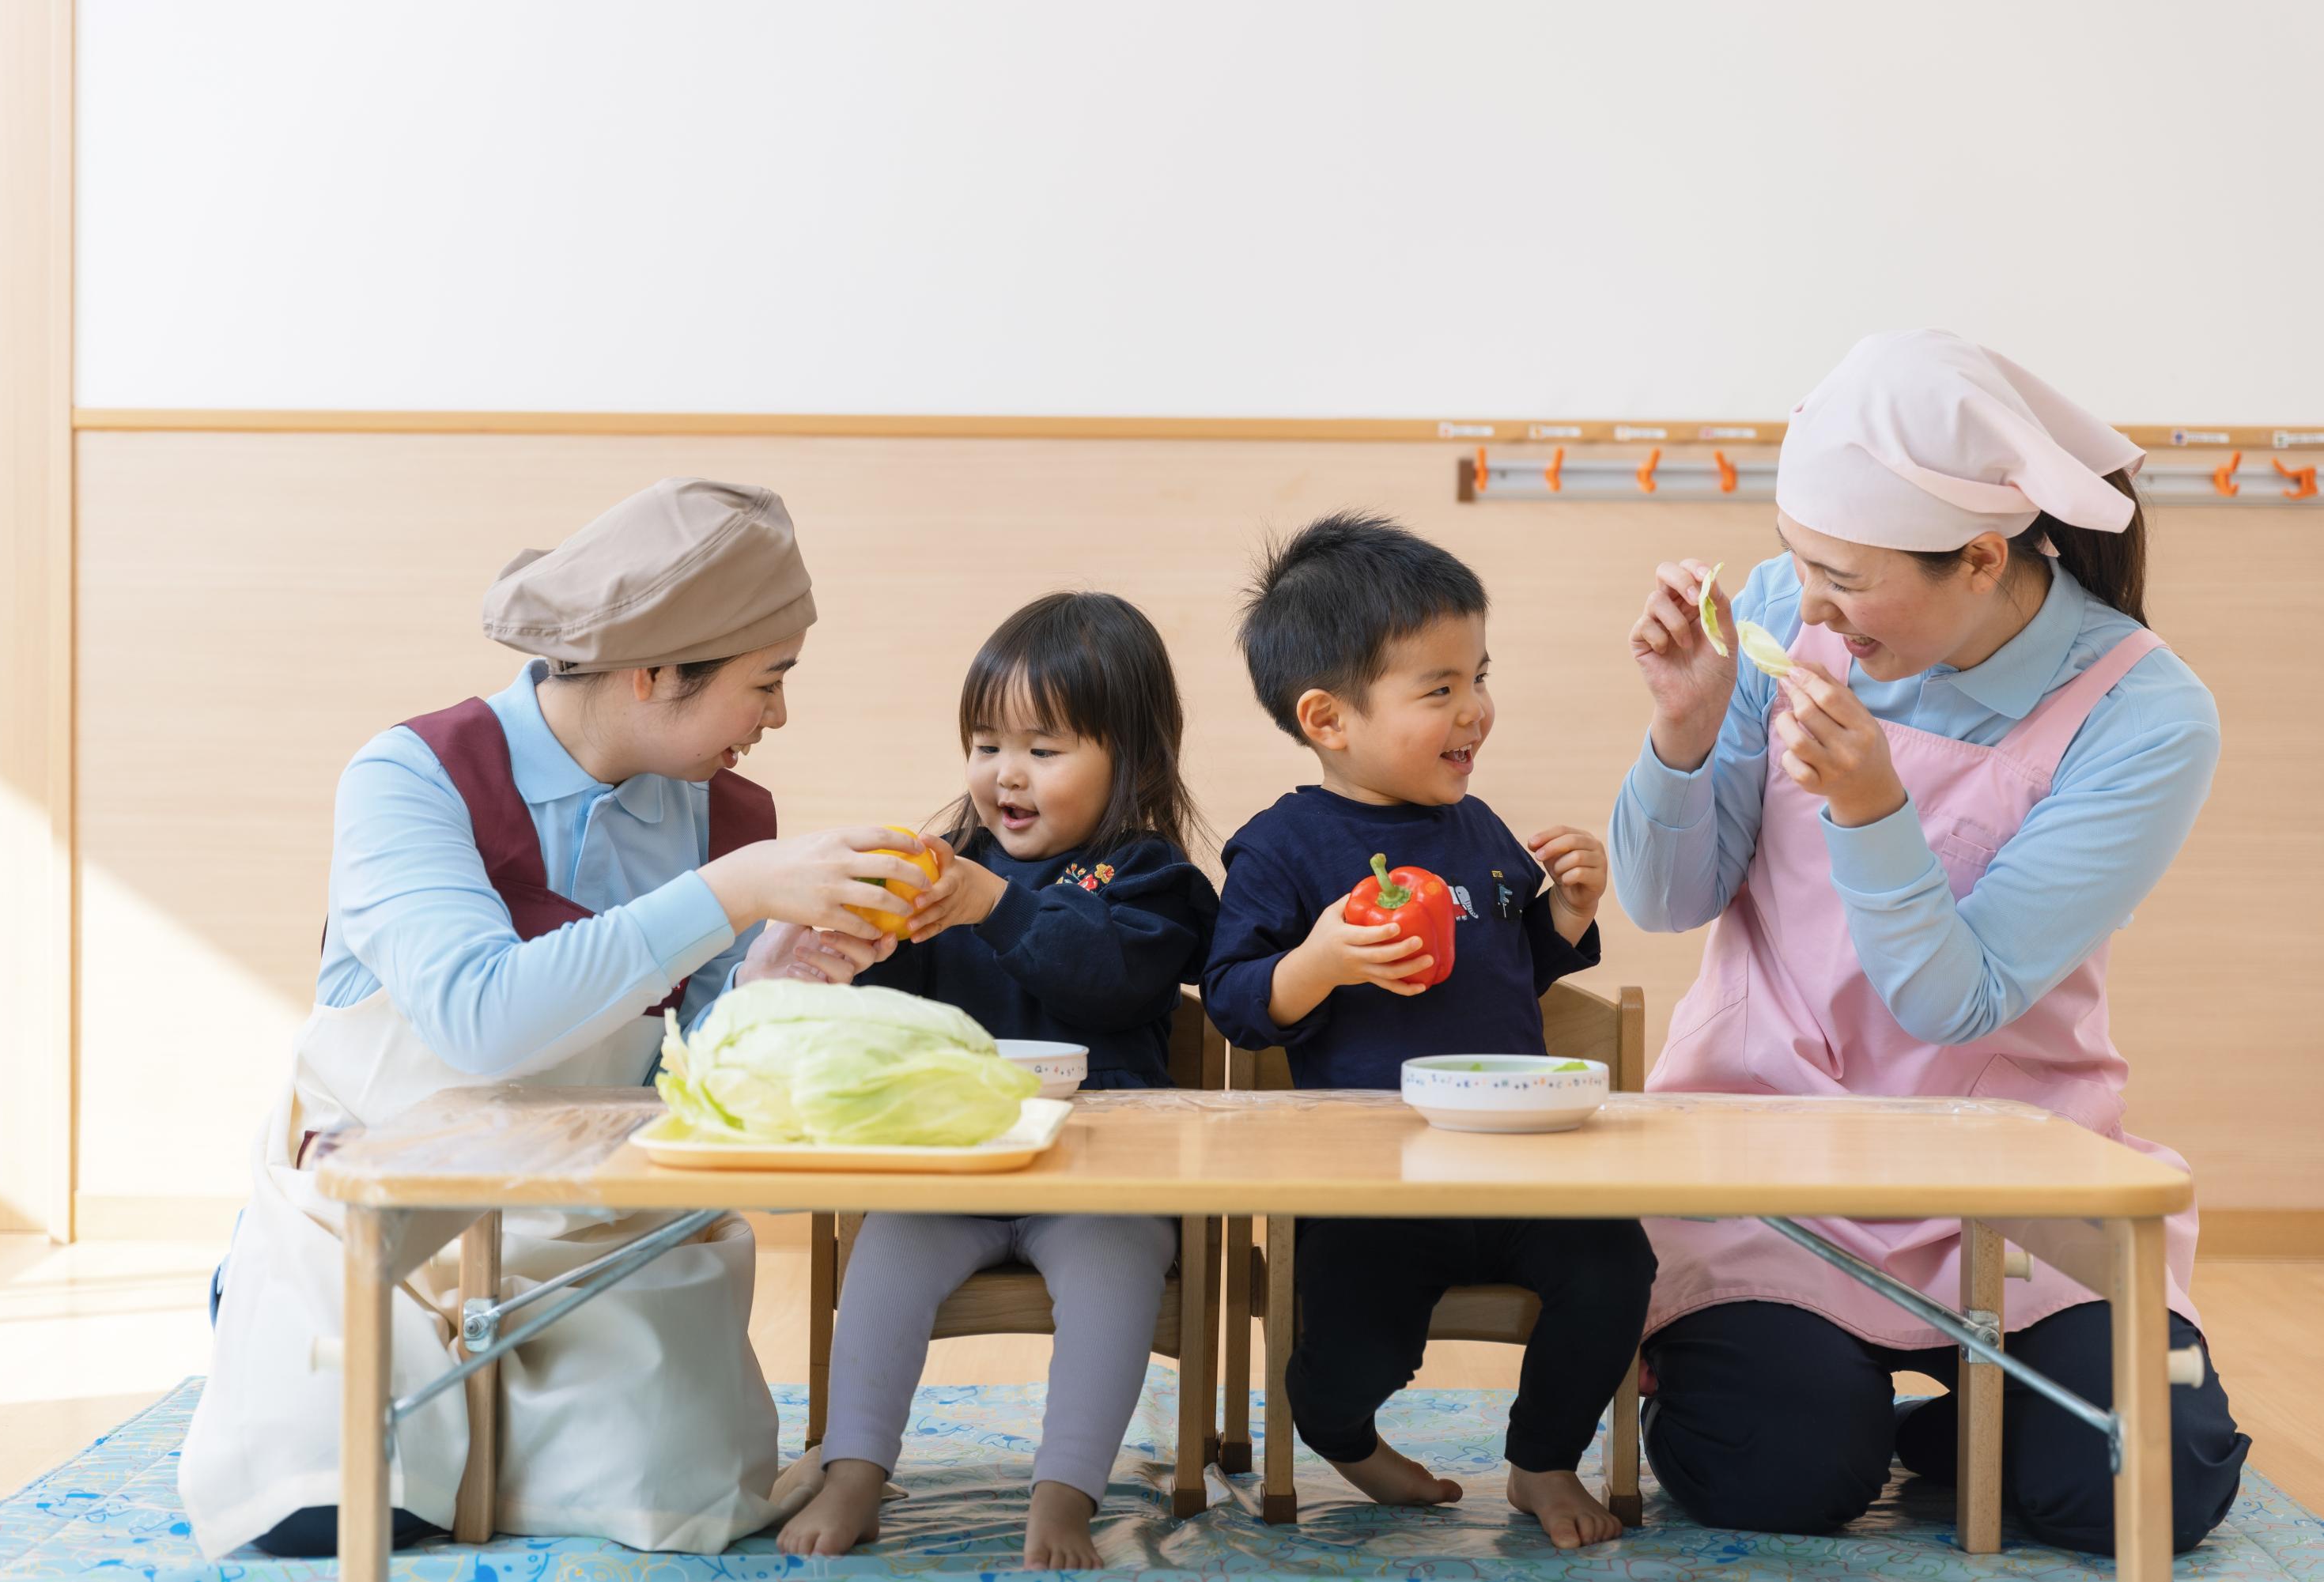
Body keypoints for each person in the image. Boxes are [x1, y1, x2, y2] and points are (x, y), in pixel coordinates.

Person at [179, 478, 943, 1559]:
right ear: (653, 673)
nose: (779, 717)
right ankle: (262, 1299)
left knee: (675, 1498)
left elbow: (692, 1075)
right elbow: (479, 1022)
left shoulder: (731, 817)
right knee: (337, 1506)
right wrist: (732, 896)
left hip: (598, 1226)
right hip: (385, 1206)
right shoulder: (411, 778)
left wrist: (774, 976)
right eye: (765, 684)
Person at [1611, 330, 2250, 1554]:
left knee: (2145, 1490)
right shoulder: (1772, 618)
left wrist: (1870, 806)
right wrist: (1684, 733)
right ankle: (1877, 1404)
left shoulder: (2145, 713)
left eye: (1842, 578)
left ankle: (1961, 1419)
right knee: (1786, 1464)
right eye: (1796, 566)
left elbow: (1959, 999)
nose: (1805, 609)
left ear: (1980, 556)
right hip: (1769, 1161)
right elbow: (1666, 898)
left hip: (2009, 1179)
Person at [1203, 514, 1654, 1550]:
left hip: (1517, 1159)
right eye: (1439, 688)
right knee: (1347, 1345)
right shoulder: (1281, 848)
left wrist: (1567, 918)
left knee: (1617, 1268)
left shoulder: (1480, 828)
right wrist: (1319, 960)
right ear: (1328, 717)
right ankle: (1341, 1434)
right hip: (1372, 1177)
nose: (1475, 710)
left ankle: (1542, 1458)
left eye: (1479, 676)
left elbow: (1505, 980)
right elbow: (1233, 999)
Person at [776, 591, 1219, 1568]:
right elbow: (898, 1013)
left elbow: (1108, 980)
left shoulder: (1152, 881)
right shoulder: (954, 874)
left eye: (1044, 749)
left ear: (1130, 758)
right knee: (882, 1265)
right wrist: (863, 944)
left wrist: (995, 907)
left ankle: (1063, 1495)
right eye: (986, 744)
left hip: (1106, 1174)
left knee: (1112, 1293)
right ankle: (855, 1470)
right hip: (956, 1166)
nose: (1005, 774)